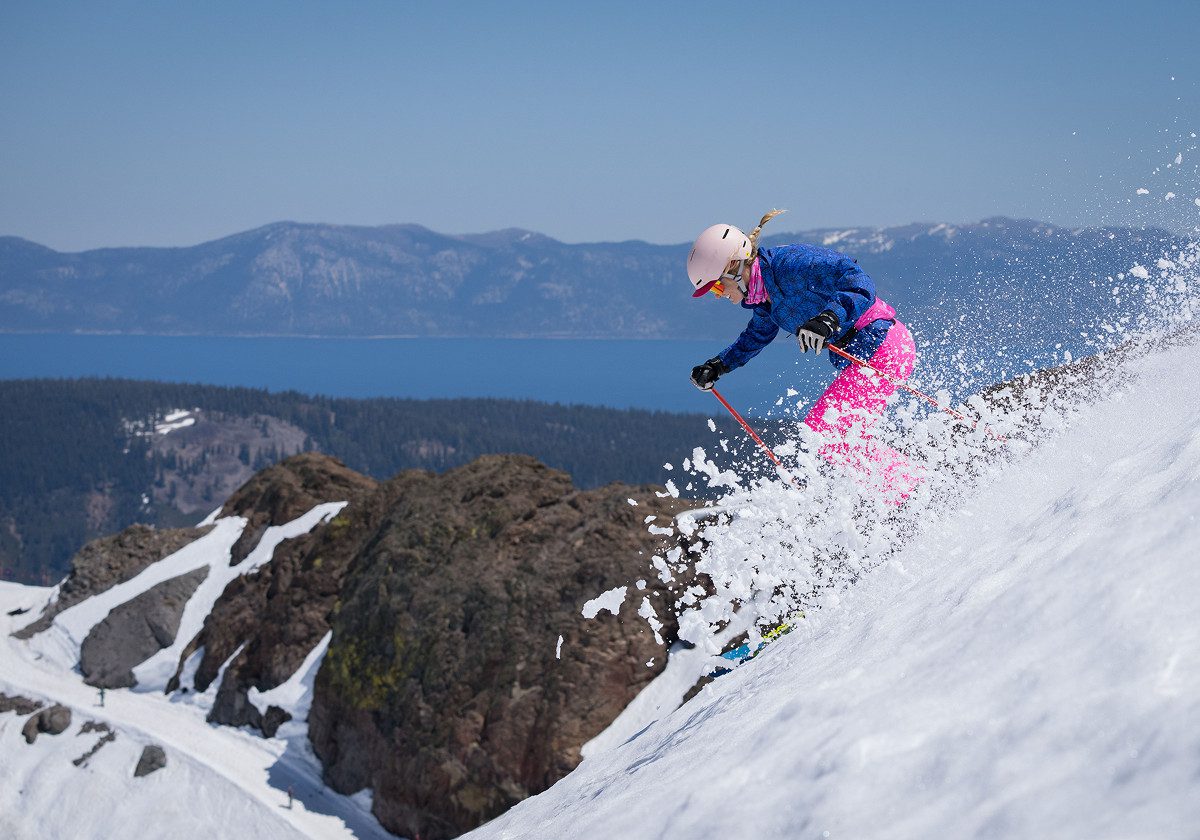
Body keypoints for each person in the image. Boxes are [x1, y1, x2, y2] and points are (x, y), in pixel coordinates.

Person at [687, 210, 921, 501]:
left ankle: (909, 490)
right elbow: (756, 336)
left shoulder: (789, 264)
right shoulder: (764, 299)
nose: (720, 296)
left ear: (734, 267)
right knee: (836, 434)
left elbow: (857, 279)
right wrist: (719, 365)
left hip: (883, 342)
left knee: (826, 431)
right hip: (868, 352)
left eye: (718, 286)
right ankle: (895, 492)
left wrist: (829, 319)